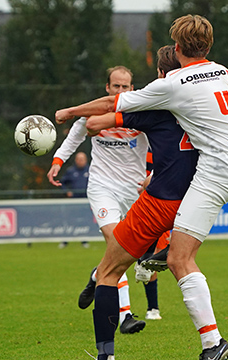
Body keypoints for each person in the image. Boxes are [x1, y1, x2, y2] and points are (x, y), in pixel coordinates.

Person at [55, 15, 228, 360]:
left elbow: (103, 114)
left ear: (172, 57)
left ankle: (107, 354)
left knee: (111, 270)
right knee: (181, 254)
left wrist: (71, 113)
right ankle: (167, 259)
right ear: (208, 46)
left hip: (170, 194)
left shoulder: (167, 90)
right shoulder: (224, 73)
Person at [47, 66, 148, 334]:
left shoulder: (141, 115)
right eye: (116, 87)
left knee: (127, 252)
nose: (121, 91)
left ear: (132, 89)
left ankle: (97, 275)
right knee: (118, 243)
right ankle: (125, 315)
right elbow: (73, 138)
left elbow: (162, 145)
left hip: (135, 191)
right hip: (102, 187)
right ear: (107, 88)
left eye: (126, 87)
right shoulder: (94, 112)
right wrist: (58, 162)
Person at [58, 151, 90, 249]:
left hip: (86, 201)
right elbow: (62, 182)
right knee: (70, 221)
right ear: (76, 160)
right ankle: (65, 240)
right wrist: (67, 191)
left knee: (85, 221)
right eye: (79, 159)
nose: (80, 161)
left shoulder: (91, 170)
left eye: (82, 159)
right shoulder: (71, 171)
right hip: (73, 202)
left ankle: (85, 240)